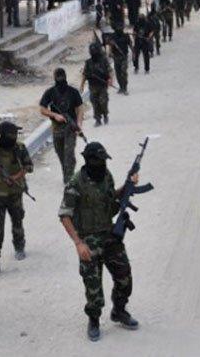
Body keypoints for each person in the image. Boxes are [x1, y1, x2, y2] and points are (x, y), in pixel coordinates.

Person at [58, 142, 140, 342]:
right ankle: (94, 319)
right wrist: (78, 243)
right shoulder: (76, 183)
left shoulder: (106, 175)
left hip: (110, 235)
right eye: (100, 160)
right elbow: (64, 215)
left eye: (104, 160)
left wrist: (128, 185)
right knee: (93, 286)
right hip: (88, 240)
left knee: (124, 277)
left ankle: (119, 310)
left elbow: (111, 200)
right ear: (89, 160)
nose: (103, 164)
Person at [0, 122, 33, 275]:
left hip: (15, 192)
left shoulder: (20, 148)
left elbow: (29, 166)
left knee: (17, 221)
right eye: (11, 135)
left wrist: (15, 177)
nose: (14, 138)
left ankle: (19, 245)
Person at [40, 68, 85, 184]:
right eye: (58, 77)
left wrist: (79, 123)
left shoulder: (73, 92)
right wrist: (54, 115)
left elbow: (80, 108)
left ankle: (69, 179)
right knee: (61, 154)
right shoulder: (50, 92)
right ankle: (67, 173)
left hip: (70, 127)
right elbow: (42, 109)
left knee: (69, 153)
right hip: (57, 128)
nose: (60, 80)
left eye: (62, 77)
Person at [105, 24, 132, 95]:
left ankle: (125, 88)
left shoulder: (126, 36)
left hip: (124, 57)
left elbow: (130, 44)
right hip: (116, 57)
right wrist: (110, 52)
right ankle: (121, 87)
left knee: (123, 72)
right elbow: (109, 44)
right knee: (118, 73)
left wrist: (133, 52)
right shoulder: (112, 36)